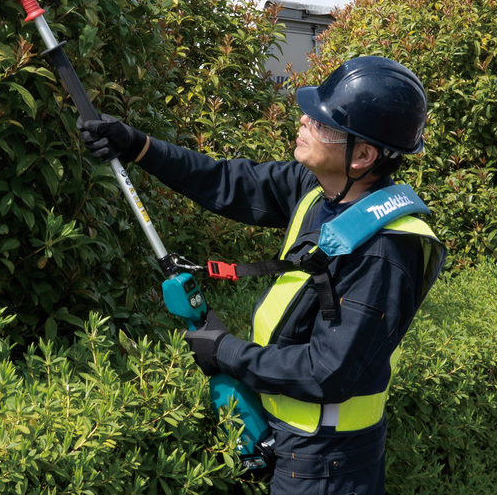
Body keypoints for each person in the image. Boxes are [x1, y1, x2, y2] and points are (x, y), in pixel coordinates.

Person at [79, 56, 445, 495]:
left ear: (362, 156)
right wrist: (137, 145)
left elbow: (326, 371)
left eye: (324, 122)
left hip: (328, 463)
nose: (305, 120)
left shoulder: (384, 250)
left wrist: (227, 352)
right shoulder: (319, 191)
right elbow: (227, 182)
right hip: (297, 441)